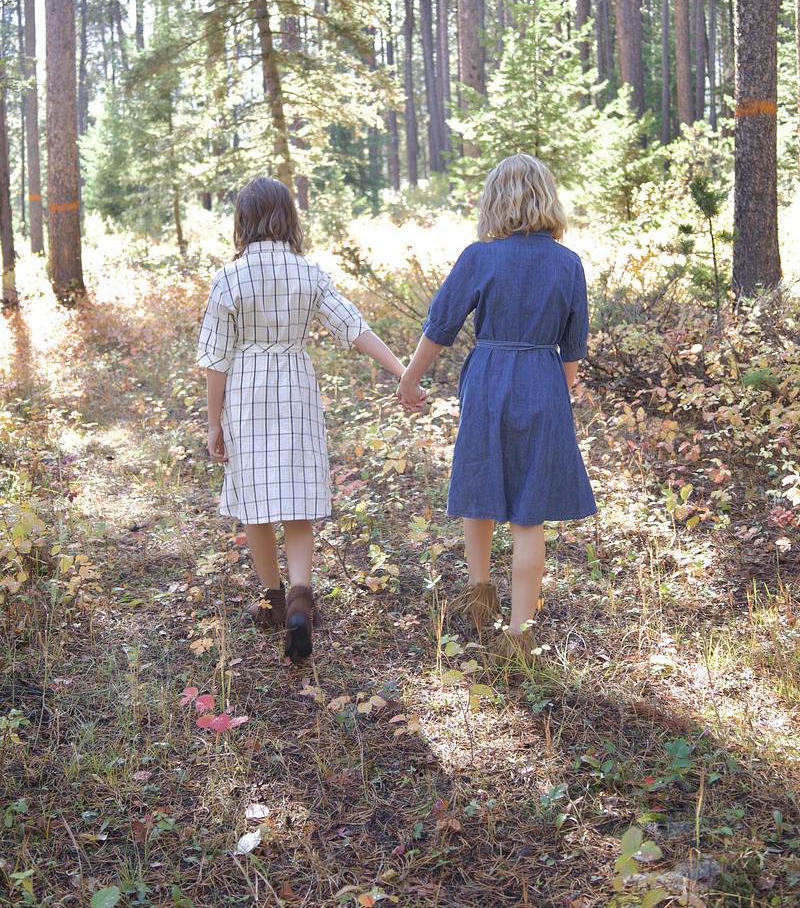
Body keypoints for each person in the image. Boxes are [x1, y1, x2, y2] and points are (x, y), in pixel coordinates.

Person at [197, 176, 411, 662]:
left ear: (243, 221)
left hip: (246, 390)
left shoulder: (229, 278)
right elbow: (352, 326)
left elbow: (215, 359)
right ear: (288, 218)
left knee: (254, 501)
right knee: (295, 498)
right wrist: (403, 372)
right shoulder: (308, 272)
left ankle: (272, 600)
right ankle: (300, 597)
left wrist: (214, 422)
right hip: (295, 385)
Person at [397, 154, 596, 658]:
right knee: (530, 513)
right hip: (543, 378)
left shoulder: (479, 257)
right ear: (547, 198)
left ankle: (479, 592)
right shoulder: (568, 263)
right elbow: (574, 347)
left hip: (488, 378)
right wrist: (555, 390)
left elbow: (440, 325)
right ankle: (519, 633)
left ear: (495, 201)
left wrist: (410, 378)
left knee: (480, 481)